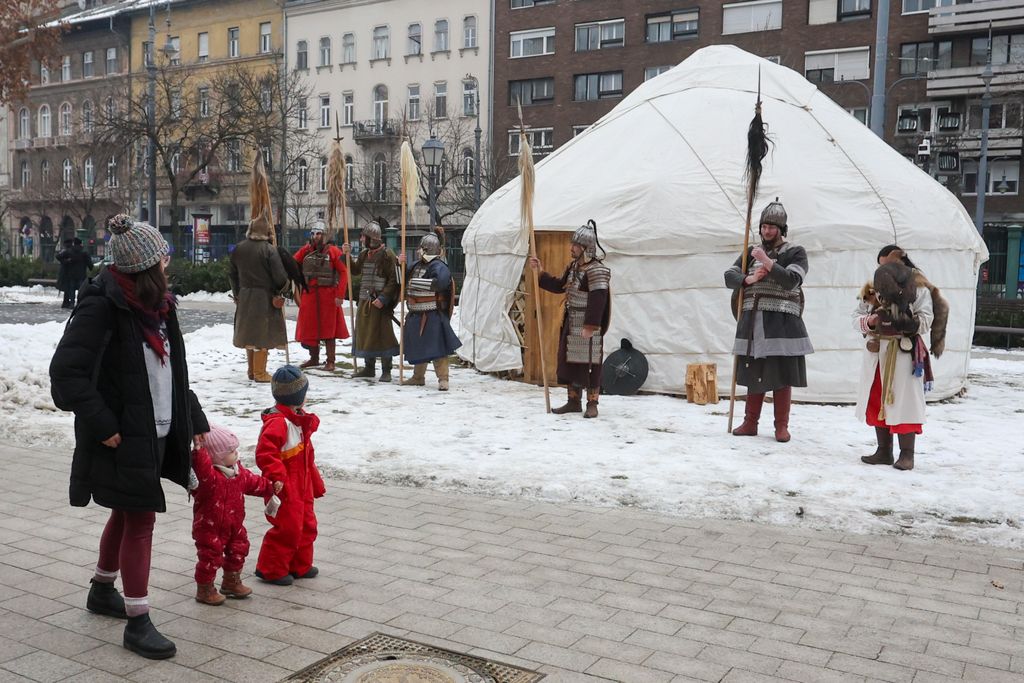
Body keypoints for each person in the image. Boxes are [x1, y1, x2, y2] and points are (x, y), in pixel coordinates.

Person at [49, 213, 209, 660]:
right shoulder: (103, 303)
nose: (167, 267)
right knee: (140, 519)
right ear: (144, 267)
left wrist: (194, 419)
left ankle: (102, 590)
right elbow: (66, 374)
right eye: (163, 259)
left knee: (125, 512)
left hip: (154, 428)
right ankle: (138, 623)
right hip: (123, 434)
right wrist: (105, 426)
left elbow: (173, 371)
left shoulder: (159, 307)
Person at [724, 199, 813, 442]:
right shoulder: (750, 251)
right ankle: (750, 422)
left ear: (781, 229)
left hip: (782, 322)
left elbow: (792, 280)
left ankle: (781, 427)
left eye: (772, 227)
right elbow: (729, 275)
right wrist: (749, 280)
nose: (766, 231)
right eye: (764, 226)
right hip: (753, 320)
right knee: (755, 371)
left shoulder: (795, 252)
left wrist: (767, 262)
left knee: (782, 374)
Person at [856, 246, 938, 471]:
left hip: (903, 352)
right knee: (877, 399)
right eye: (882, 265)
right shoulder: (871, 289)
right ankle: (883, 451)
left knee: (904, 402)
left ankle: (907, 455)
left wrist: (907, 323)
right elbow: (856, 316)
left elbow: (927, 319)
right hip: (877, 351)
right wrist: (871, 321)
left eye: (889, 264)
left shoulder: (918, 287)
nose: (885, 270)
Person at [528, 220, 611, 418]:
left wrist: (590, 325)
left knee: (591, 364)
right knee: (570, 362)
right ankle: (573, 401)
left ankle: (592, 404)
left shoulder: (596, 270)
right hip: (571, 320)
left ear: (586, 248)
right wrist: (540, 271)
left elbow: (599, 301)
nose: (571, 248)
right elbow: (559, 286)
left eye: (575, 245)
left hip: (589, 324)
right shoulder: (574, 267)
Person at [191, 424, 281, 605]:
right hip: (209, 527)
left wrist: (270, 486)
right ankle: (205, 588)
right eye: (231, 451)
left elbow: (253, 482)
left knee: (239, 549)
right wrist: (199, 450)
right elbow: (201, 468)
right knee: (210, 556)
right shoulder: (209, 478)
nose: (236, 453)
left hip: (235, 524)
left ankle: (231, 581)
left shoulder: (238, 473)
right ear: (215, 456)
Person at [254, 366, 326, 585]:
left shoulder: (298, 420)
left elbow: (307, 458)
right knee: (287, 527)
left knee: (307, 524)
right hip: (285, 485)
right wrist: (277, 477)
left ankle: (299, 565)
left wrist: (314, 482)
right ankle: (271, 569)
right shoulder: (279, 422)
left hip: (302, 485)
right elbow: (265, 453)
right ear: (300, 397)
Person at [229, 212, 289, 383]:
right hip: (264, 296)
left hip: (245, 295)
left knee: (250, 335)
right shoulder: (268, 249)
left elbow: (232, 274)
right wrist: (283, 289)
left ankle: (251, 371)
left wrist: (237, 294)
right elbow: (280, 277)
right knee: (262, 334)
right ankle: (260, 373)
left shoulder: (239, 248)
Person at [398, 232, 462, 390]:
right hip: (415, 313)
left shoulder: (439, 266)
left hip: (432, 313)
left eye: (423, 249)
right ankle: (418, 377)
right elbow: (401, 281)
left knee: (437, 347)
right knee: (419, 346)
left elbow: (439, 283)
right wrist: (400, 265)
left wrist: (415, 282)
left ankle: (443, 379)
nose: (420, 252)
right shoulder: (415, 265)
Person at [341, 222, 400, 382]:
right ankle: (369, 368)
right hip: (364, 300)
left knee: (384, 335)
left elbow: (394, 280)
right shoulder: (364, 254)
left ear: (371, 239)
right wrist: (346, 255)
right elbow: (355, 270)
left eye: (363, 237)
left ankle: (386, 370)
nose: (361, 239)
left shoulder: (388, 255)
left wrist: (383, 299)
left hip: (379, 303)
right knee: (365, 334)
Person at [293, 224, 349, 371]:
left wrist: (340, 294)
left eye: (319, 233)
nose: (316, 236)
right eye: (314, 233)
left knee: (329, 329)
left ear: (324, 235)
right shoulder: (305, 251)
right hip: (310, 294)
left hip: (328, 295)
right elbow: (293, 264)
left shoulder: (333, 252)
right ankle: (314, 358)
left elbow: (343, 273)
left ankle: (331, 360)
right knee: (309, 327)